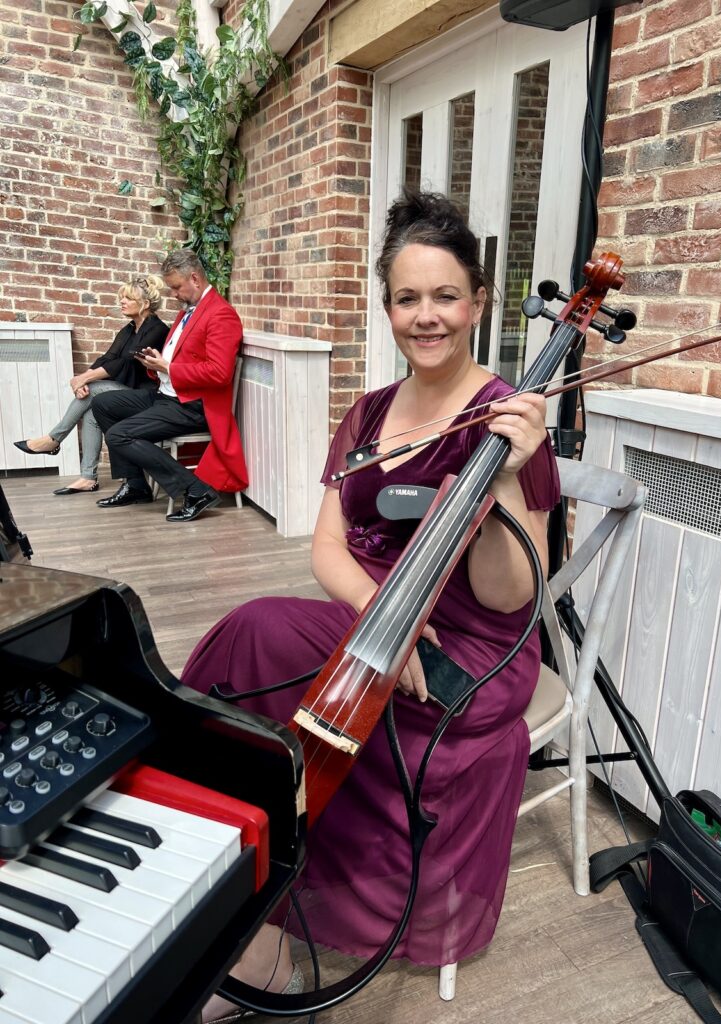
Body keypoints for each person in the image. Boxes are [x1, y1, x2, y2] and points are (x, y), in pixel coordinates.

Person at [181, 189, 559, 1022]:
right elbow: (326, 548)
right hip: (381, 612)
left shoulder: (511, 421)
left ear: (479, 301)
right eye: (407, 298)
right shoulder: (368, 411)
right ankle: (218, 850)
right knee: (256, 636)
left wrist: (499, 473)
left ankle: (273, 916)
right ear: (387, 307)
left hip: (473, 644)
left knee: (330, 689)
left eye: (446, 296)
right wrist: (382, 616)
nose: (428, 317)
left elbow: (510, 594)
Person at [91, 249, 248, 523]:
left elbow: (220, 373)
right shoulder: (185, 313)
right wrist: (156, 365)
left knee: (119, 435)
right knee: (102, 403)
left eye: (176, 287)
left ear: (195, 279)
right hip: (165, 395)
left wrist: (168, 368)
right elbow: (176, 358)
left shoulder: (222, 314)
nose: (173, 294)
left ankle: (196, 491)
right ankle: (136, 485)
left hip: (192, 405)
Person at [13, 276, 167, 494]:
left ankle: (53, 439)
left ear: (145, 304)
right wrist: (80, 379)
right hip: (127, 392)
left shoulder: (157, 328)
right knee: (91, 411)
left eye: (128, 298)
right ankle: (88, 477)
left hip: (147, 395)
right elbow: (107, 358)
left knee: (94, 390)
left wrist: (86, 380)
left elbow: (127, 361)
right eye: (121, 297)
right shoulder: (128, 330)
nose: (121, 301)